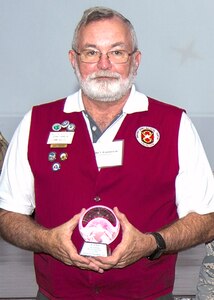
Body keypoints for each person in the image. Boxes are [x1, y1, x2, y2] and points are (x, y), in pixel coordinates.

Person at [0, 6, 214, 300]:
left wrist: (152, 243)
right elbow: (7, 214)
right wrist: (46, 240)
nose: (103, 64)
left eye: (117, 52)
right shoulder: (36, 123)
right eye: (91, 52)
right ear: (73, 60)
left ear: (135, 60)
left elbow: (206, 218)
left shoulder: (174, 124)